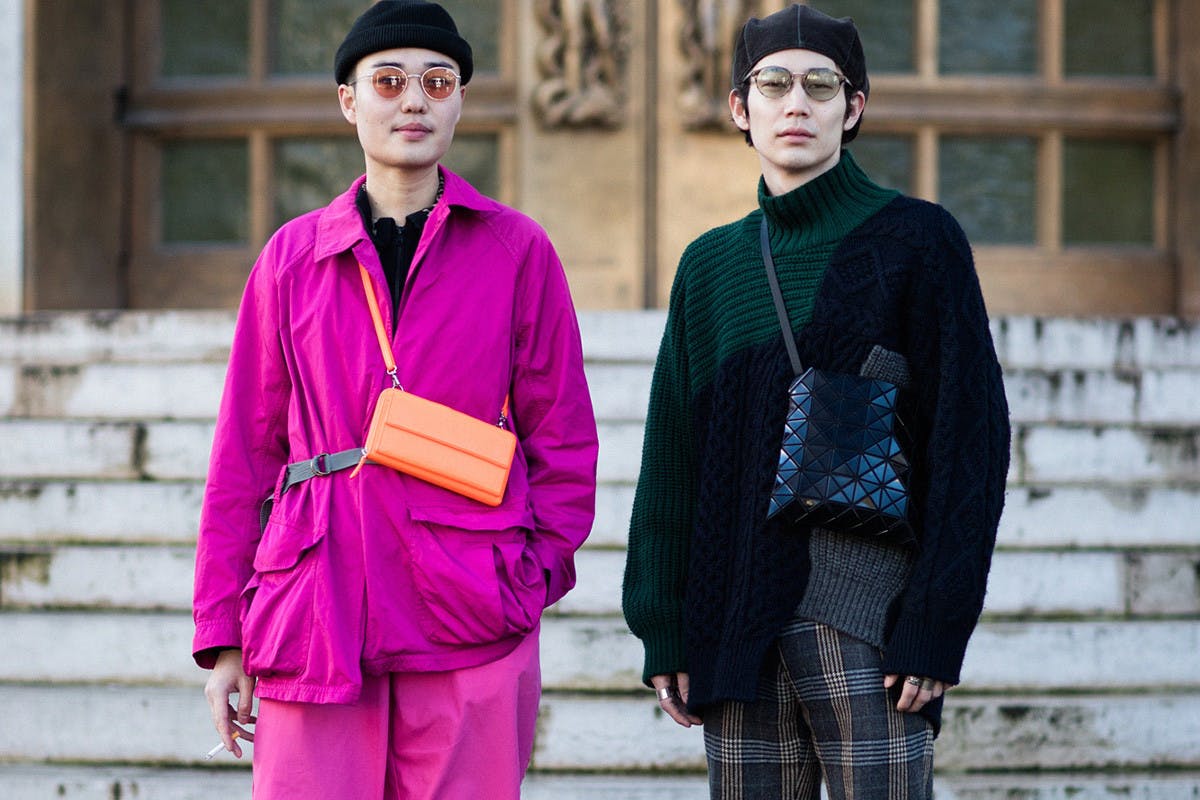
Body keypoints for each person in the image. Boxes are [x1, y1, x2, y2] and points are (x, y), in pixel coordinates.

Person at [191, 2, 598, 798]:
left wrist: (531, 575)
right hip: (316, 607)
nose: (414, 101)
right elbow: (244, 454)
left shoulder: (516, 251)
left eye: (437, 82)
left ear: (459, 101)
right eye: (389, 82)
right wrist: (223, 633)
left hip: (472, 606)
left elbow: (564, 440)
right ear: (349, 100)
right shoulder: (293, 258)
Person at [622, 5, 1010, 799]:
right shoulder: (710, 266)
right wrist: (663, 625)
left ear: (853, 106)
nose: (795, 103)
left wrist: (936, 622)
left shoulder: (918, 241)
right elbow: (672, 458)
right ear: (741, 107)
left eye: (820, 85)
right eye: (773, 84)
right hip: (735, 629)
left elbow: (970, 441)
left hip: (867, 620)